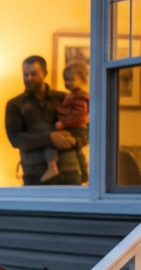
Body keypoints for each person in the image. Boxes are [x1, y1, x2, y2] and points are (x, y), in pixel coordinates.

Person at [5, 56, 86, 184]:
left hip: (70, 172)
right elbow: (15, 139)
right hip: (35, 174)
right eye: (25, 74)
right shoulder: (15, 104)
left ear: (45, 73)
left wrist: (74, 140)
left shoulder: (64, 98)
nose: (28, 78)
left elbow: (85, 130)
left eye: (33, 74)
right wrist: (51, 137)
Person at [39, 61, 91, 183]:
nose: (68, 83)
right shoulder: (72, 95)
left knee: (51, 142)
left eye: (71, 80)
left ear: (82, 79)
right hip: (75, 128)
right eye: (65, 80)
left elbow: (79, 116)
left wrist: (64, 123)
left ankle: (52, 167)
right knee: (78, 152)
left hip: (74, 129)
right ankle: (84, 174)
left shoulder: (80, 96)